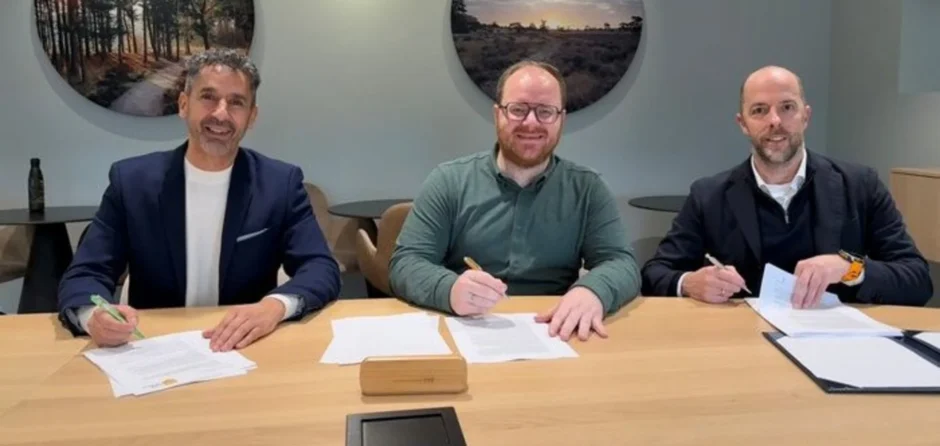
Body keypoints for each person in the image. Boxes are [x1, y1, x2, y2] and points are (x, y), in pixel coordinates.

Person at [58, 49, 341, 350]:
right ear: (183, 104)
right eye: (208, 97)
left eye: (236, 102)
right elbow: (86, 273)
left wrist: (274, 307)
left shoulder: (280, 183)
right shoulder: (132, 182)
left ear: (252, 116)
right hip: (154, 347)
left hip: (246, 348)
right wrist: (93, 317)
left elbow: (320, 267)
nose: (221, 113)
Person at [389, 60, 640, 341]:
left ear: (561, 120)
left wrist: (592, 292)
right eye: (518, 109)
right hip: (463, 328)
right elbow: (406, 263)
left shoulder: (588, 188)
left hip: (555, 331)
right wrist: (448, 289)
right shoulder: (448, 181)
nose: (531, 122)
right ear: (498, 114)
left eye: (545, 111)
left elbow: (622, 263)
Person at [641, 65, 932, 307]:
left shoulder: (859, 185)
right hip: (741, 342)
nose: (775, 121)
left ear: (806, 116)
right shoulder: (708, 195)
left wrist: (849, 269)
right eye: (759, 110)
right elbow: (654, 273)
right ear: (743, 124)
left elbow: (918, 280)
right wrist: (689, 283)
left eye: (787, 107)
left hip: (836, 342)